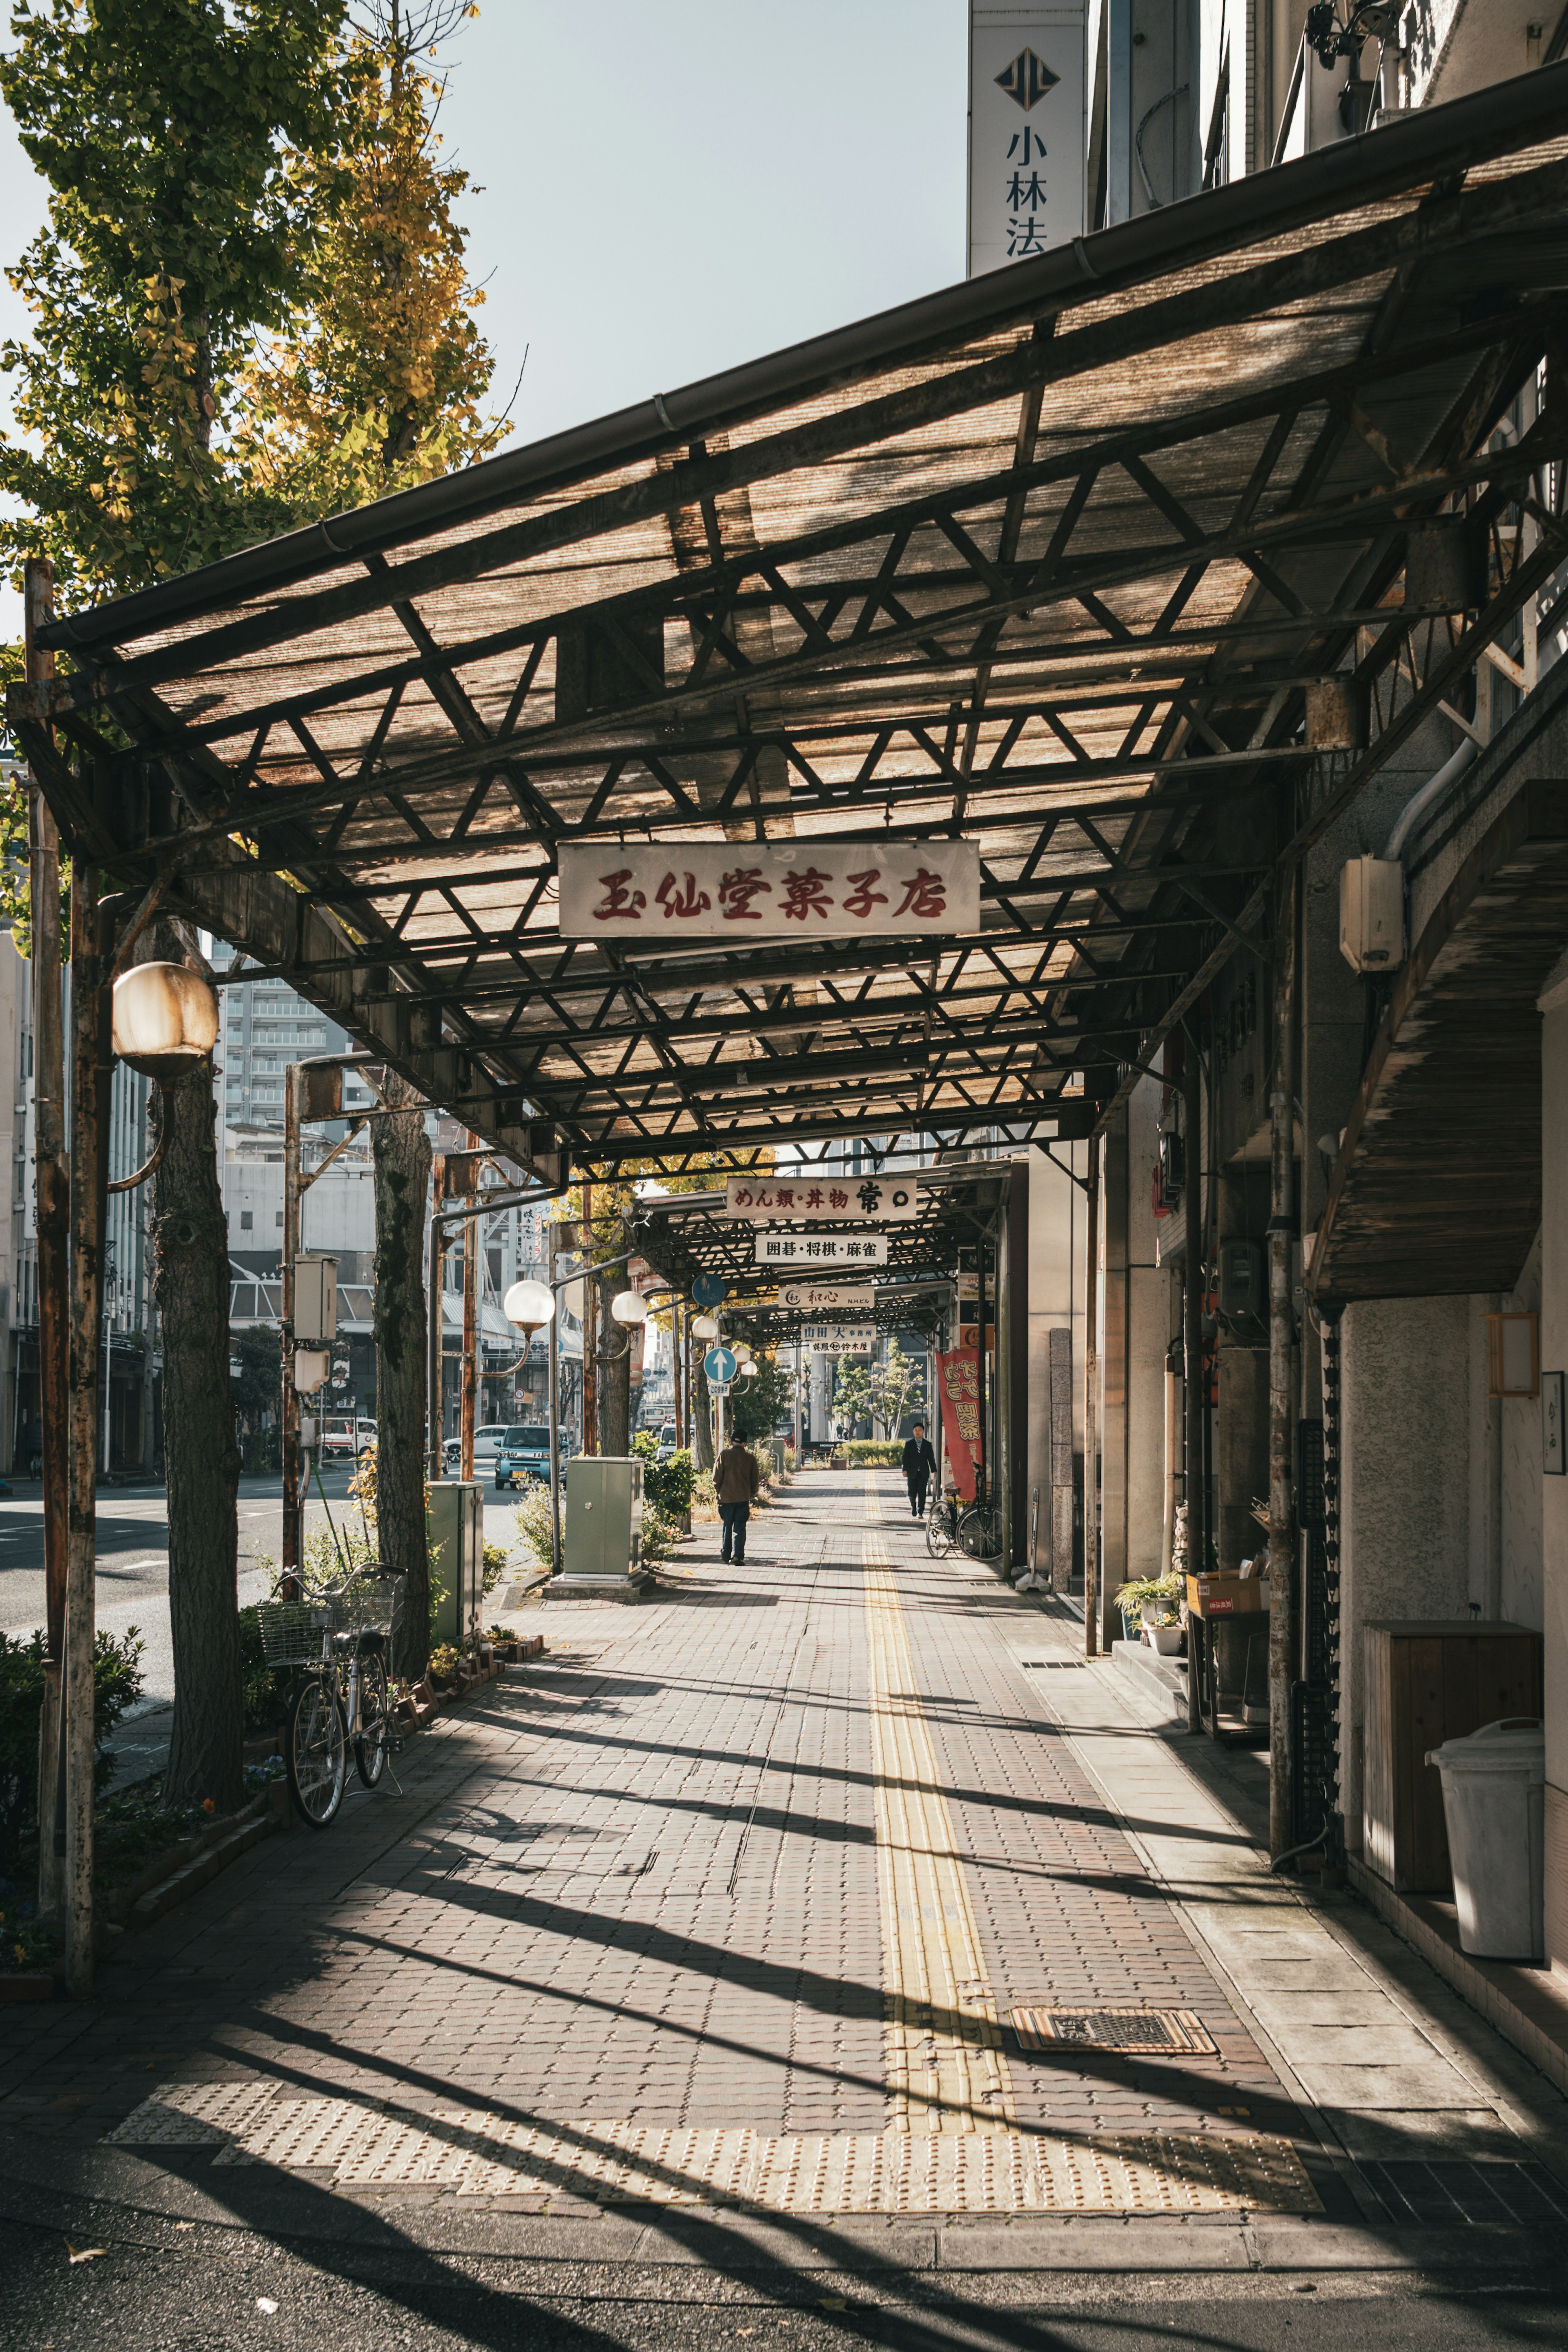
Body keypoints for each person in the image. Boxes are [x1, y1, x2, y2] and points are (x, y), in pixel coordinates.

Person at [714, 1433, 761, 1564]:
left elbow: (716, 1478)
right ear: (745, 1443)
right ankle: (737, 1556)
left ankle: (725, 1556)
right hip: (743, 1499)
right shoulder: (750, 1459)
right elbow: (755, 1480)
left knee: (727, 1527)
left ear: (731, 1441)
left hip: (726, 1499)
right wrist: (750, 1494)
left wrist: (720, 1492)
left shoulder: (724, 1455)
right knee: (740, 1528)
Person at [902, 1420, 937, 1520]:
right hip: (912, 1473)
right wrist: (904, 1470)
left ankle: (920, 1511)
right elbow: (905, 1458)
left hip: (923, 1473)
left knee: (922, 1493)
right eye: (916, 1430)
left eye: (920, 1430)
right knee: (912, 1494)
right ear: (913, 1432)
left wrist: (934, 1470)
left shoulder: (927, 1445)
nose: (918, 1432)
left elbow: (931, 1459)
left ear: (923, 1432)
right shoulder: (909, 1444)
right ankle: (913, 1506)